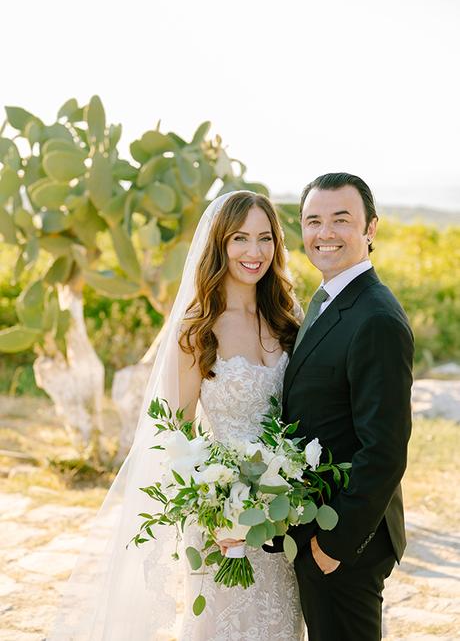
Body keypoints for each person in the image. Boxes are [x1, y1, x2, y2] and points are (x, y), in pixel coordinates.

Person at [49, 190, 305, 640]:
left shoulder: (287, 316)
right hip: (220, 515)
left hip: (283, 515)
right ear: (220, 244)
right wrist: (220, 510)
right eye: (240, 238)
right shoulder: (198, 326)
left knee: (280, 624)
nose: (255, 251)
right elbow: (178, 431)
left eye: (265, 238)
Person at [270, 172, 414, 641]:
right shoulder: (329, 297)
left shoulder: (375, 317)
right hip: (314, 525)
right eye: (313, 220)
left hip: (345, 539)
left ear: (371, 228)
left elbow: (385, 450)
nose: (324, 233)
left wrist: (334, 544)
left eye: (341, 219)